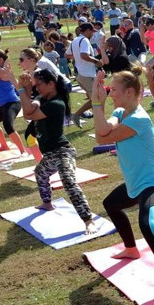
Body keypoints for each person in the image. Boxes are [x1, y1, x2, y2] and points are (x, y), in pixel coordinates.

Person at [91, 65, 154, 299]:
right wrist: (99, 103)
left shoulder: (138, 120)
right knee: (111, 204)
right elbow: (104, 129)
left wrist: (97, 105)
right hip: (135, 183)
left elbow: (100, 135)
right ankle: (131, 249)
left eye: (114, 90)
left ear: (128, 92)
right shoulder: (121, 113)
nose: (110, 92)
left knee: (148, 226)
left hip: (153, 184)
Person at [17, 68, 98, 234]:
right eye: (36, 85)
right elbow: (28, 109)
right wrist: (26, 88)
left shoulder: (56, 104)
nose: (37, 88)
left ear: (51, 83)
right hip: (49, 154)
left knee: (68, 181)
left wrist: (22, 89)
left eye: (39, 85)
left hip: (62, 152)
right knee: (40, 173)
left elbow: (29, 114)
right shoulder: (41, 99)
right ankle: (47, 203)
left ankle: (88, 220)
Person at [0, 48, 27, 156]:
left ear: (1, 60)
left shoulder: (1, 71)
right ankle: (4, 145)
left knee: (8, 125)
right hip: (3, 104)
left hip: (12, 103)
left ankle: (23, 151)